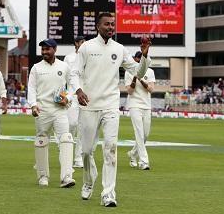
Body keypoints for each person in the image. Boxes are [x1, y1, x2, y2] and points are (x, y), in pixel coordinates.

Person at [71, 12, 151, 207]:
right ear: (98, 26)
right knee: (87, 151)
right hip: (89, 105)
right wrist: (79, 91)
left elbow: (138, 72)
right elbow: (74, 73)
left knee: (111, 149)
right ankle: (89, 181)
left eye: (112, 24)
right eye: (106, 24)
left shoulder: (119, 49)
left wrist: (145, 55)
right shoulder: (87, 48)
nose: (110, 27)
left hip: (110, 106)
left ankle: (108, 193)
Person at [27, 38, 75, 188]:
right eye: (43, 49)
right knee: (41, 141)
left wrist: (68, 99)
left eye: (47, 49)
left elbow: (73, 86)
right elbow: (31, 89)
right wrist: (33, 105)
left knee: (66, 139)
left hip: (60, 110)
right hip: (42, 110)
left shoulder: (64, 66)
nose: (44, 52)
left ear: (55, 49)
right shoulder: (36, 68)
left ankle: (67, 177)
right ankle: (43, 176)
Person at [125, 51, 155, 170]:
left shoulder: (150, 71)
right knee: (139, 133)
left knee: (145, 135)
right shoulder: (129, 72)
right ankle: (144, 161)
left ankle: (133, 154)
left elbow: (151, 89)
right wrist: (134, 78)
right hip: (134, 105)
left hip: (146, 105)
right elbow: (129, 91)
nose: (139, 62)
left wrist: (141, 79)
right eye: (137, 60)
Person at [63, 35, 85, 168]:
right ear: (76, 43)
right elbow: (64, 77)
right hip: (71, 95)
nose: (83, 44)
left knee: (82, 127)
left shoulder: (88, 57)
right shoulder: (69, 58)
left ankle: (78, 158)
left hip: (84, 95)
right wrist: (63, 95)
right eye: (81, 42)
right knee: (72, 124)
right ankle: (66, 150)